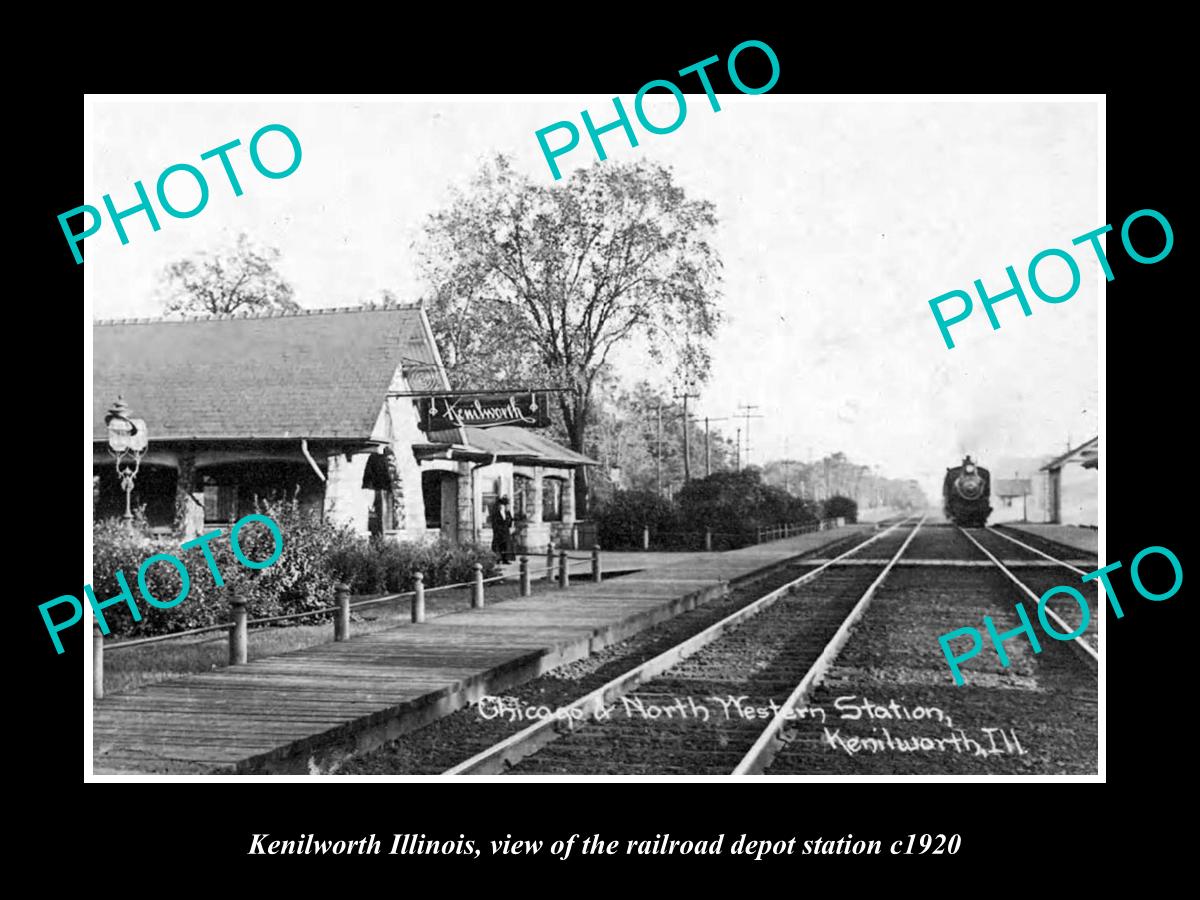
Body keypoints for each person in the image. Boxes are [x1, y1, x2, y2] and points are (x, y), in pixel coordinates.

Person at [490, 495, 514, 563]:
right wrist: (497, 529)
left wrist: (509, 524)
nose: (501, 507)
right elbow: (494, 523)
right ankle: (497, 558)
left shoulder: (507, 512)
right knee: (498, 545)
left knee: (506, 545)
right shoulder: (496, 513)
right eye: (500, 505)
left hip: (505, 530)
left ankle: (505, 559)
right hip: (498, 531)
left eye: (503, 505)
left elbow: (510, 521)